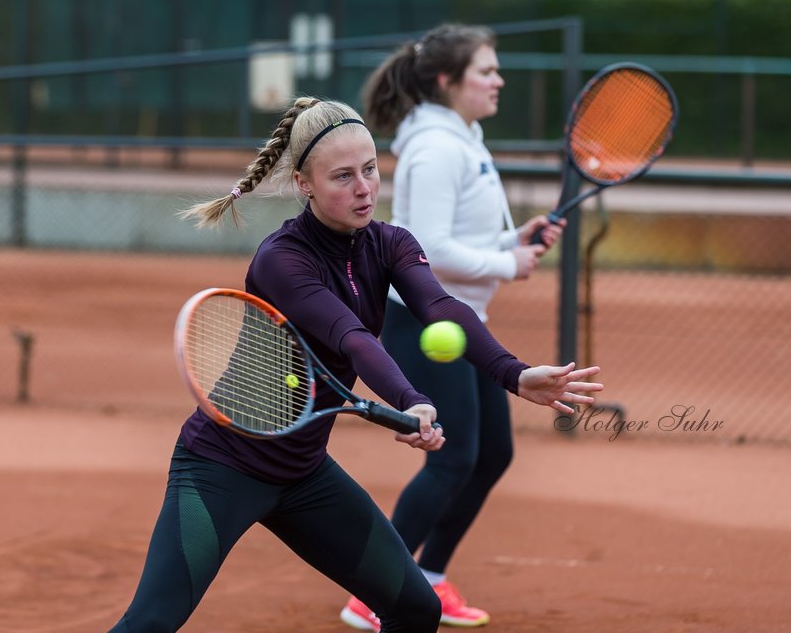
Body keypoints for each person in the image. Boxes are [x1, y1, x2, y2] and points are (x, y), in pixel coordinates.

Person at [108, 96, 602, 632]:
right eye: (342, 176)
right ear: (304, 184)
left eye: (369, 170)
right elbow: (352, 339)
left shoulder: (391, 243)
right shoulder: (282, 259)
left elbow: (442, 307)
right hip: (223, 465)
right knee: (151, 623)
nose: (364, 188)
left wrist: (514, 372)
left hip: (303, 473)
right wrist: (412, 400)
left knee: (416, 607)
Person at [338, 24, 565, 630]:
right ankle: (372, 589)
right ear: (447, 81)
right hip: (422, 321)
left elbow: (457, 237)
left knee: (491, 454)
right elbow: (428, 248)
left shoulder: (463, 137)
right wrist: (505, 263)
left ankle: (430, 577)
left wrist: (507, 240)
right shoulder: (437, 148)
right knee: (453, 457)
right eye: (485, 71)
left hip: (460, 320)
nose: (498, 80)